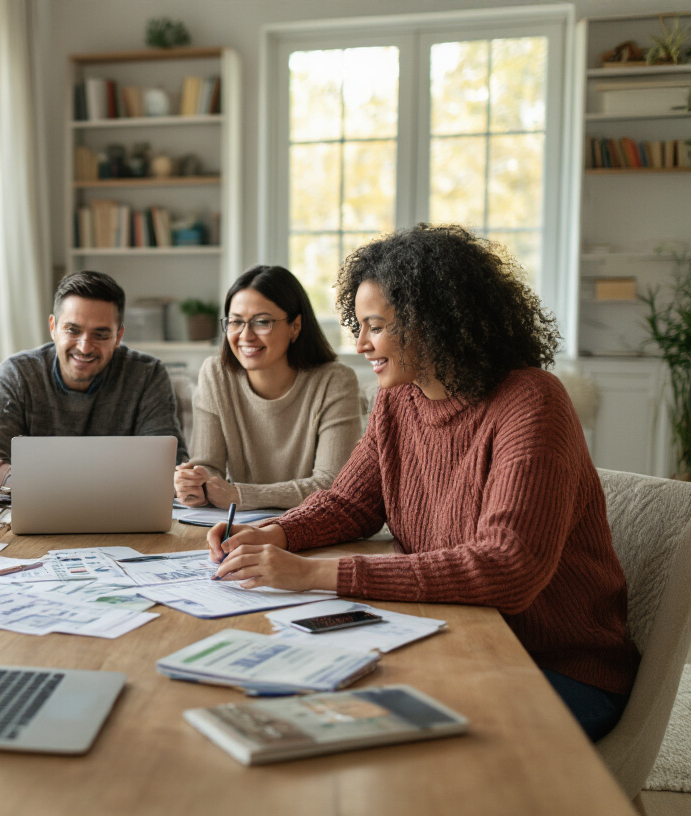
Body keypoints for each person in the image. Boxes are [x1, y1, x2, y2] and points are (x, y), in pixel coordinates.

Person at [208, 224, 638, 741]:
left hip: (555, 665)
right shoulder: (398, 399)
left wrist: (312, 574)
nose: (360, 344)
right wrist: (273, 533)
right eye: (359, 325)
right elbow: (350, 502)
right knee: (302, 694)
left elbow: (508, 567)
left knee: (369, 735)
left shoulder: (531, 402)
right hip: (450, 633)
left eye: (375, 327)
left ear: (432, 323)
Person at [175, 266, 361, 510]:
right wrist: (196, 483)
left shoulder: (335, 381)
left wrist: (241, 496)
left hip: (312, 524)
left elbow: (332, 483)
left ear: (295, 326)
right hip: (237, 524)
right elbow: (209, 466)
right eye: (236, 322)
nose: (246, 336)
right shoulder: (216, 374)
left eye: (262, 322)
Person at [0, 270, 188, 469]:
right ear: (53, 327)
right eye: (72, 330)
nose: (84, 347)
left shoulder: (147, 375)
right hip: (31, 499)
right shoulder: (17, 374)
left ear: (118, 337)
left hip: (122, 499)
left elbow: (169, 463)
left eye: (100, 335)